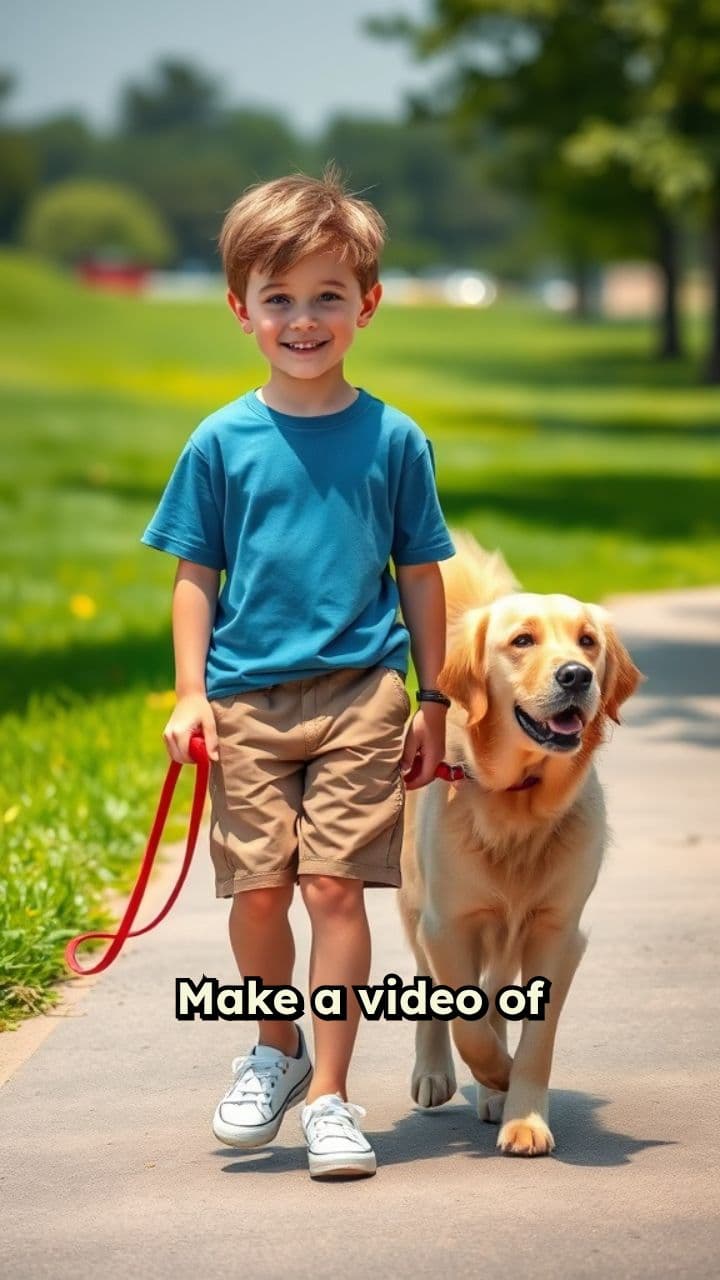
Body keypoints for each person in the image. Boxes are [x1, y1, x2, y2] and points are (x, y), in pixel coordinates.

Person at [141, 164, 455, 1179]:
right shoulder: (220, 441)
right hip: (246, 700)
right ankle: (272, 1049)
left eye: (328, 296)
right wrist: (191, 691)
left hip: (364, 692)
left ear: (367, 304)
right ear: (241, 308)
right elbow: (197, 573)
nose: (304, 319)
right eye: (280, 298)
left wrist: (435, 700)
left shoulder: (396, 439)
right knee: (261, 892)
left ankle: (330, 1094)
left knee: (333, 889)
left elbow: (420, 575)